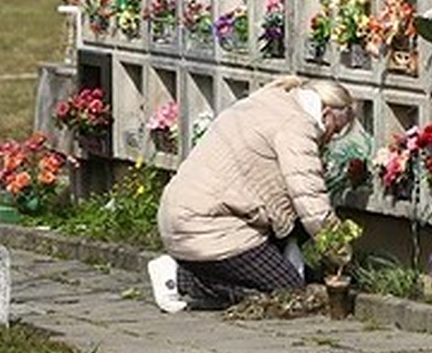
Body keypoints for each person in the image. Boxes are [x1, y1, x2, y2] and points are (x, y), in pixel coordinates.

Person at [149, 75, 355, 312]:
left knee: (294, 268)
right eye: (335, 129)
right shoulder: (297, 126)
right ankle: (179, 277)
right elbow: (311, 202)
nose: (331, 138)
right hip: (208, 228)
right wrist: (340, 254)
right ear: (326, 113)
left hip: (184, 216)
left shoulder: (272, 100)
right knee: (289, 291)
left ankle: (200, 269)